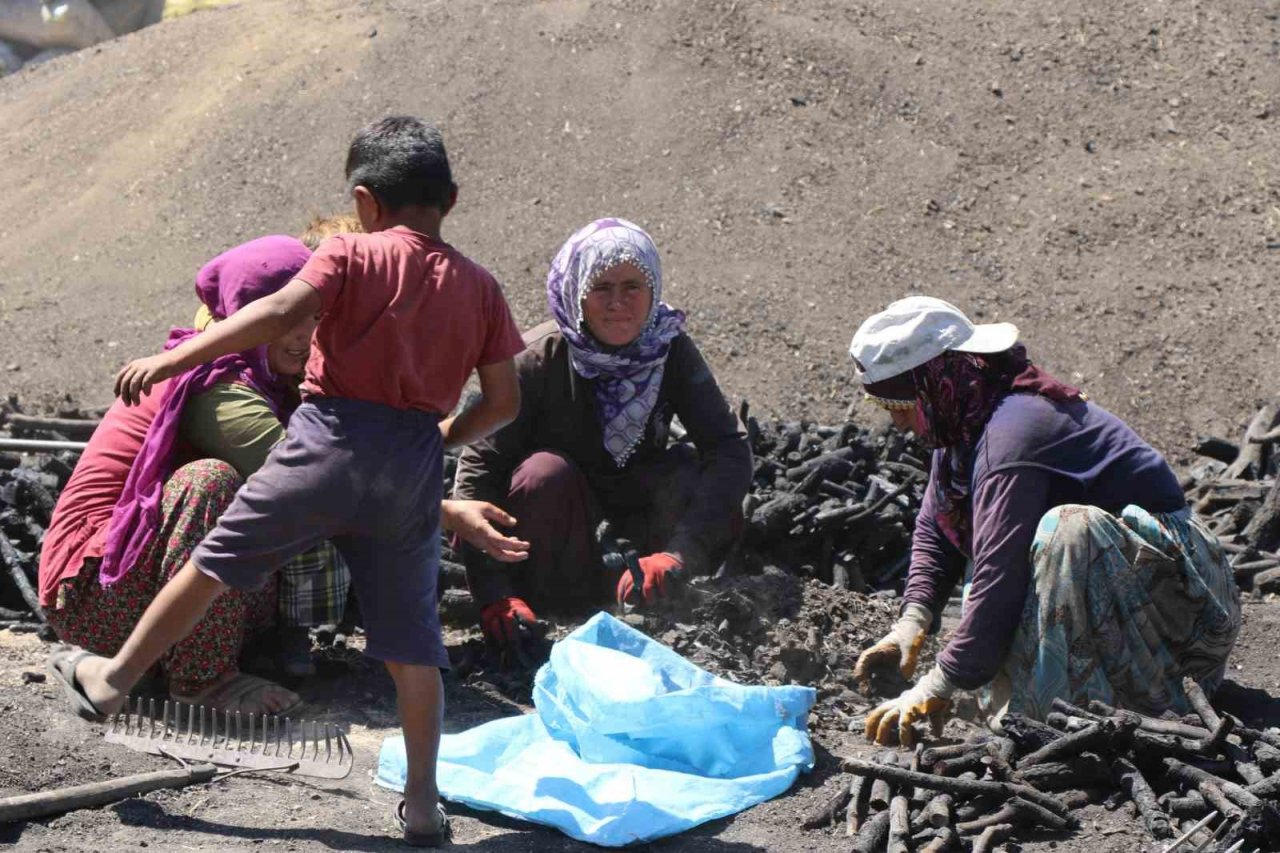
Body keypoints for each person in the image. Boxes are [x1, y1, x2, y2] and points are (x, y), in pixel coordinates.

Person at [49, 115, 526, 846]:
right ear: (451, 201)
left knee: (215, 563)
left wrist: (173, 360)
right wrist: (440, 438)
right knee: (414, 644)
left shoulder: (348, 254)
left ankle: (112, 682)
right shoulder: (483, 289)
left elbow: (272, 311)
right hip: (408, 465)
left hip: (326, 440)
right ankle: (425, 807)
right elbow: (502, 402)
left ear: (366, 203)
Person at [848, 296, 1241, 746]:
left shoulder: (1014, 434)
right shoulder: (963, 426)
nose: (898, 423)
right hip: (1117, 593)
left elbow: (1000, 576)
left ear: (938, 383)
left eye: (900, 406)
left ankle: (1140, 701)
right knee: (1015, 543)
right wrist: (911, 624)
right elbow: (934, 530)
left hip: (1183, 610)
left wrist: (936, 685)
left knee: (1067, 531)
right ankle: (1050, 695)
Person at [40, 235, 318, 715]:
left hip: (160, 584)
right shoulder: (216, 384)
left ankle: (183, 656)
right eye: (287, 319)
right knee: (211, 481)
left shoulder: (276, 382)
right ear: (248, 318)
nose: (306, 333)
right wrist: (439, 512)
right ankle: (200, 681)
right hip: (97, 592)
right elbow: (309, 483)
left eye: (315, 317)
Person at [453, 217, 752, 656]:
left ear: (653, 291)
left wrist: (679, 554)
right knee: (543, 473)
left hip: (638, 536)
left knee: (690, 468)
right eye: (602, 288)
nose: (618, 303)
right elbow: (478, 473)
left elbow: (727, 448)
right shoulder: (536, 359)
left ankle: (654, 595)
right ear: (577, 292)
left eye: (632, 287)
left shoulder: (668, 349)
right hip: (555, 539)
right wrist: (494, 593)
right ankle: (552, 608)